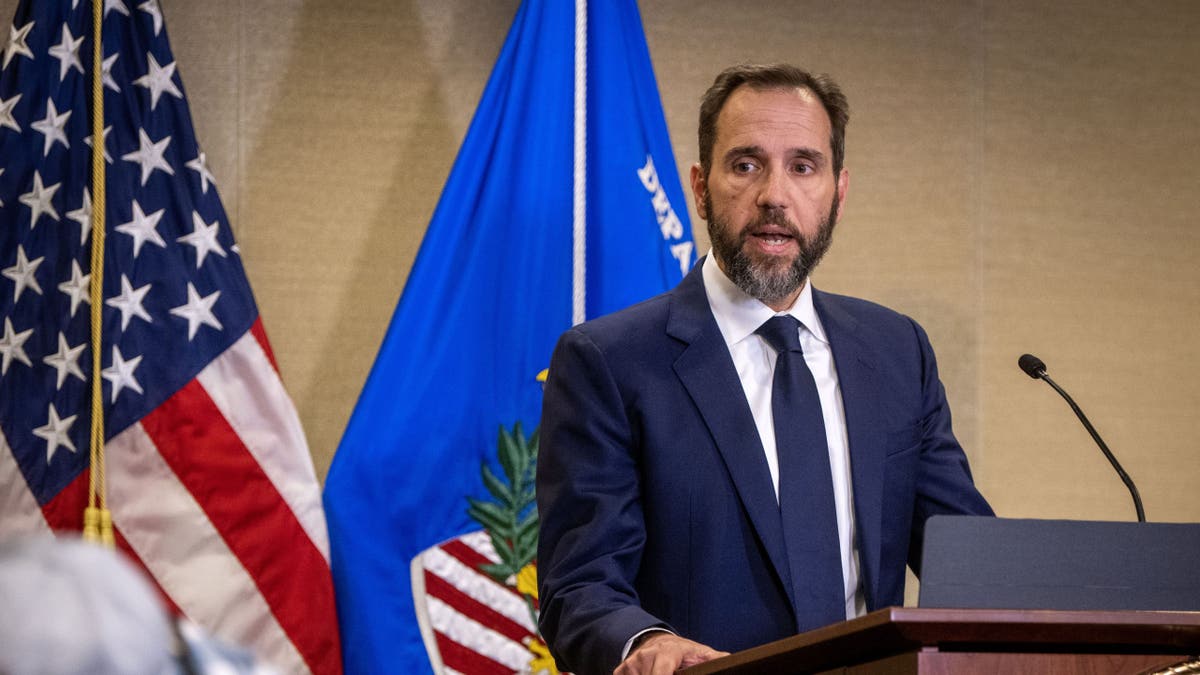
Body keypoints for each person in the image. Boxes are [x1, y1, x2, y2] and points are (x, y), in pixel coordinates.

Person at [536, 63, 993, 675]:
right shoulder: (611, 362)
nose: (775, 195)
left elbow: (969, 561)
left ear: (838, 190)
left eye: (803, 166)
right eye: (746, 164)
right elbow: (580, 584)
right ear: (700, 187)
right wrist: (644, 642)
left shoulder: (896, 351)